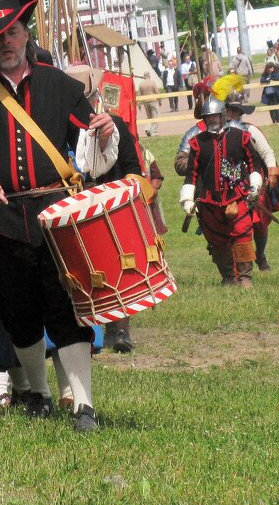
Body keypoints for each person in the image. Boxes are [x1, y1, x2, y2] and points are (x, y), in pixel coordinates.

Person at [0, 0, 118, 433]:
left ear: (26, 35)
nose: (7, 43)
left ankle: (84, 406)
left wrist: (104, 133)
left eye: (14, 33)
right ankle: (38, 393)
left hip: (57, 219)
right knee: (18, 314)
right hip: (3, 222)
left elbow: (93, 149)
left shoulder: (60, 86)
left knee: (67, 310)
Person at [68, 64, 164, 353]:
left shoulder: (118, 124)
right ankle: (84, 333)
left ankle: (120, 330)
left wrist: (120, 199)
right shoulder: (63, 126)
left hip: (112, 205)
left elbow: (134, 168)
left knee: (118, 267)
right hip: (76, 205)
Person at [179, 97, 262, 288]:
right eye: (208, 118)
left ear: (222, 116)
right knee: (217, 240)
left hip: (237, 197)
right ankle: (228, 276)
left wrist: (255, 185)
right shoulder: (197, 143)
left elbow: (253, 163)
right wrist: (187, 199)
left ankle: (245, 277)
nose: (212, 120)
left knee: (242, 236)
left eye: (215, 116)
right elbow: (191, 173)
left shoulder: (239, 137)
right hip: (209, 201)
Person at [223, 97, 279, 272]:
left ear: (239, 114)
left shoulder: (250, 130)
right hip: (229, 183)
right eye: (227, 110)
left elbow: (267, 153)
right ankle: (236, 262)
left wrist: (272, 175)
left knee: (259, 223)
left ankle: (261, 255)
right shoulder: (218, 132)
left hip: (254, 179)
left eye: (233, 111)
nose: (229, 114)